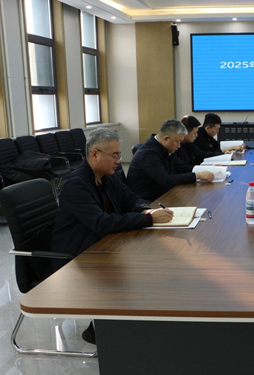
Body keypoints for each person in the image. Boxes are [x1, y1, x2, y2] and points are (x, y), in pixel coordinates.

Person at [51, 128, 174, 344]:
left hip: (101, 245)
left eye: (119, 155)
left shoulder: (107, 177)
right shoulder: (76, 184)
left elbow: (131, 197)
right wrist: (148, 219)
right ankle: (103, 331)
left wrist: (145, 209)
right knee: (137, 269)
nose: (118, 161)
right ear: (95, 154)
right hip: (76, 256)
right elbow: (101, 223)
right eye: (114, 155)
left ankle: (126, 321)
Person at [128, 119, 214, 202]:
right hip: (148, 201)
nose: (179, 146)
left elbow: (182, 168)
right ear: (166, 139)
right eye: (178, 142)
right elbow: (167, 181)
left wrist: (208, 169)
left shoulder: (165, 148)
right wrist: (196, 176)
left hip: (163, 195)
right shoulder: (147, 154)